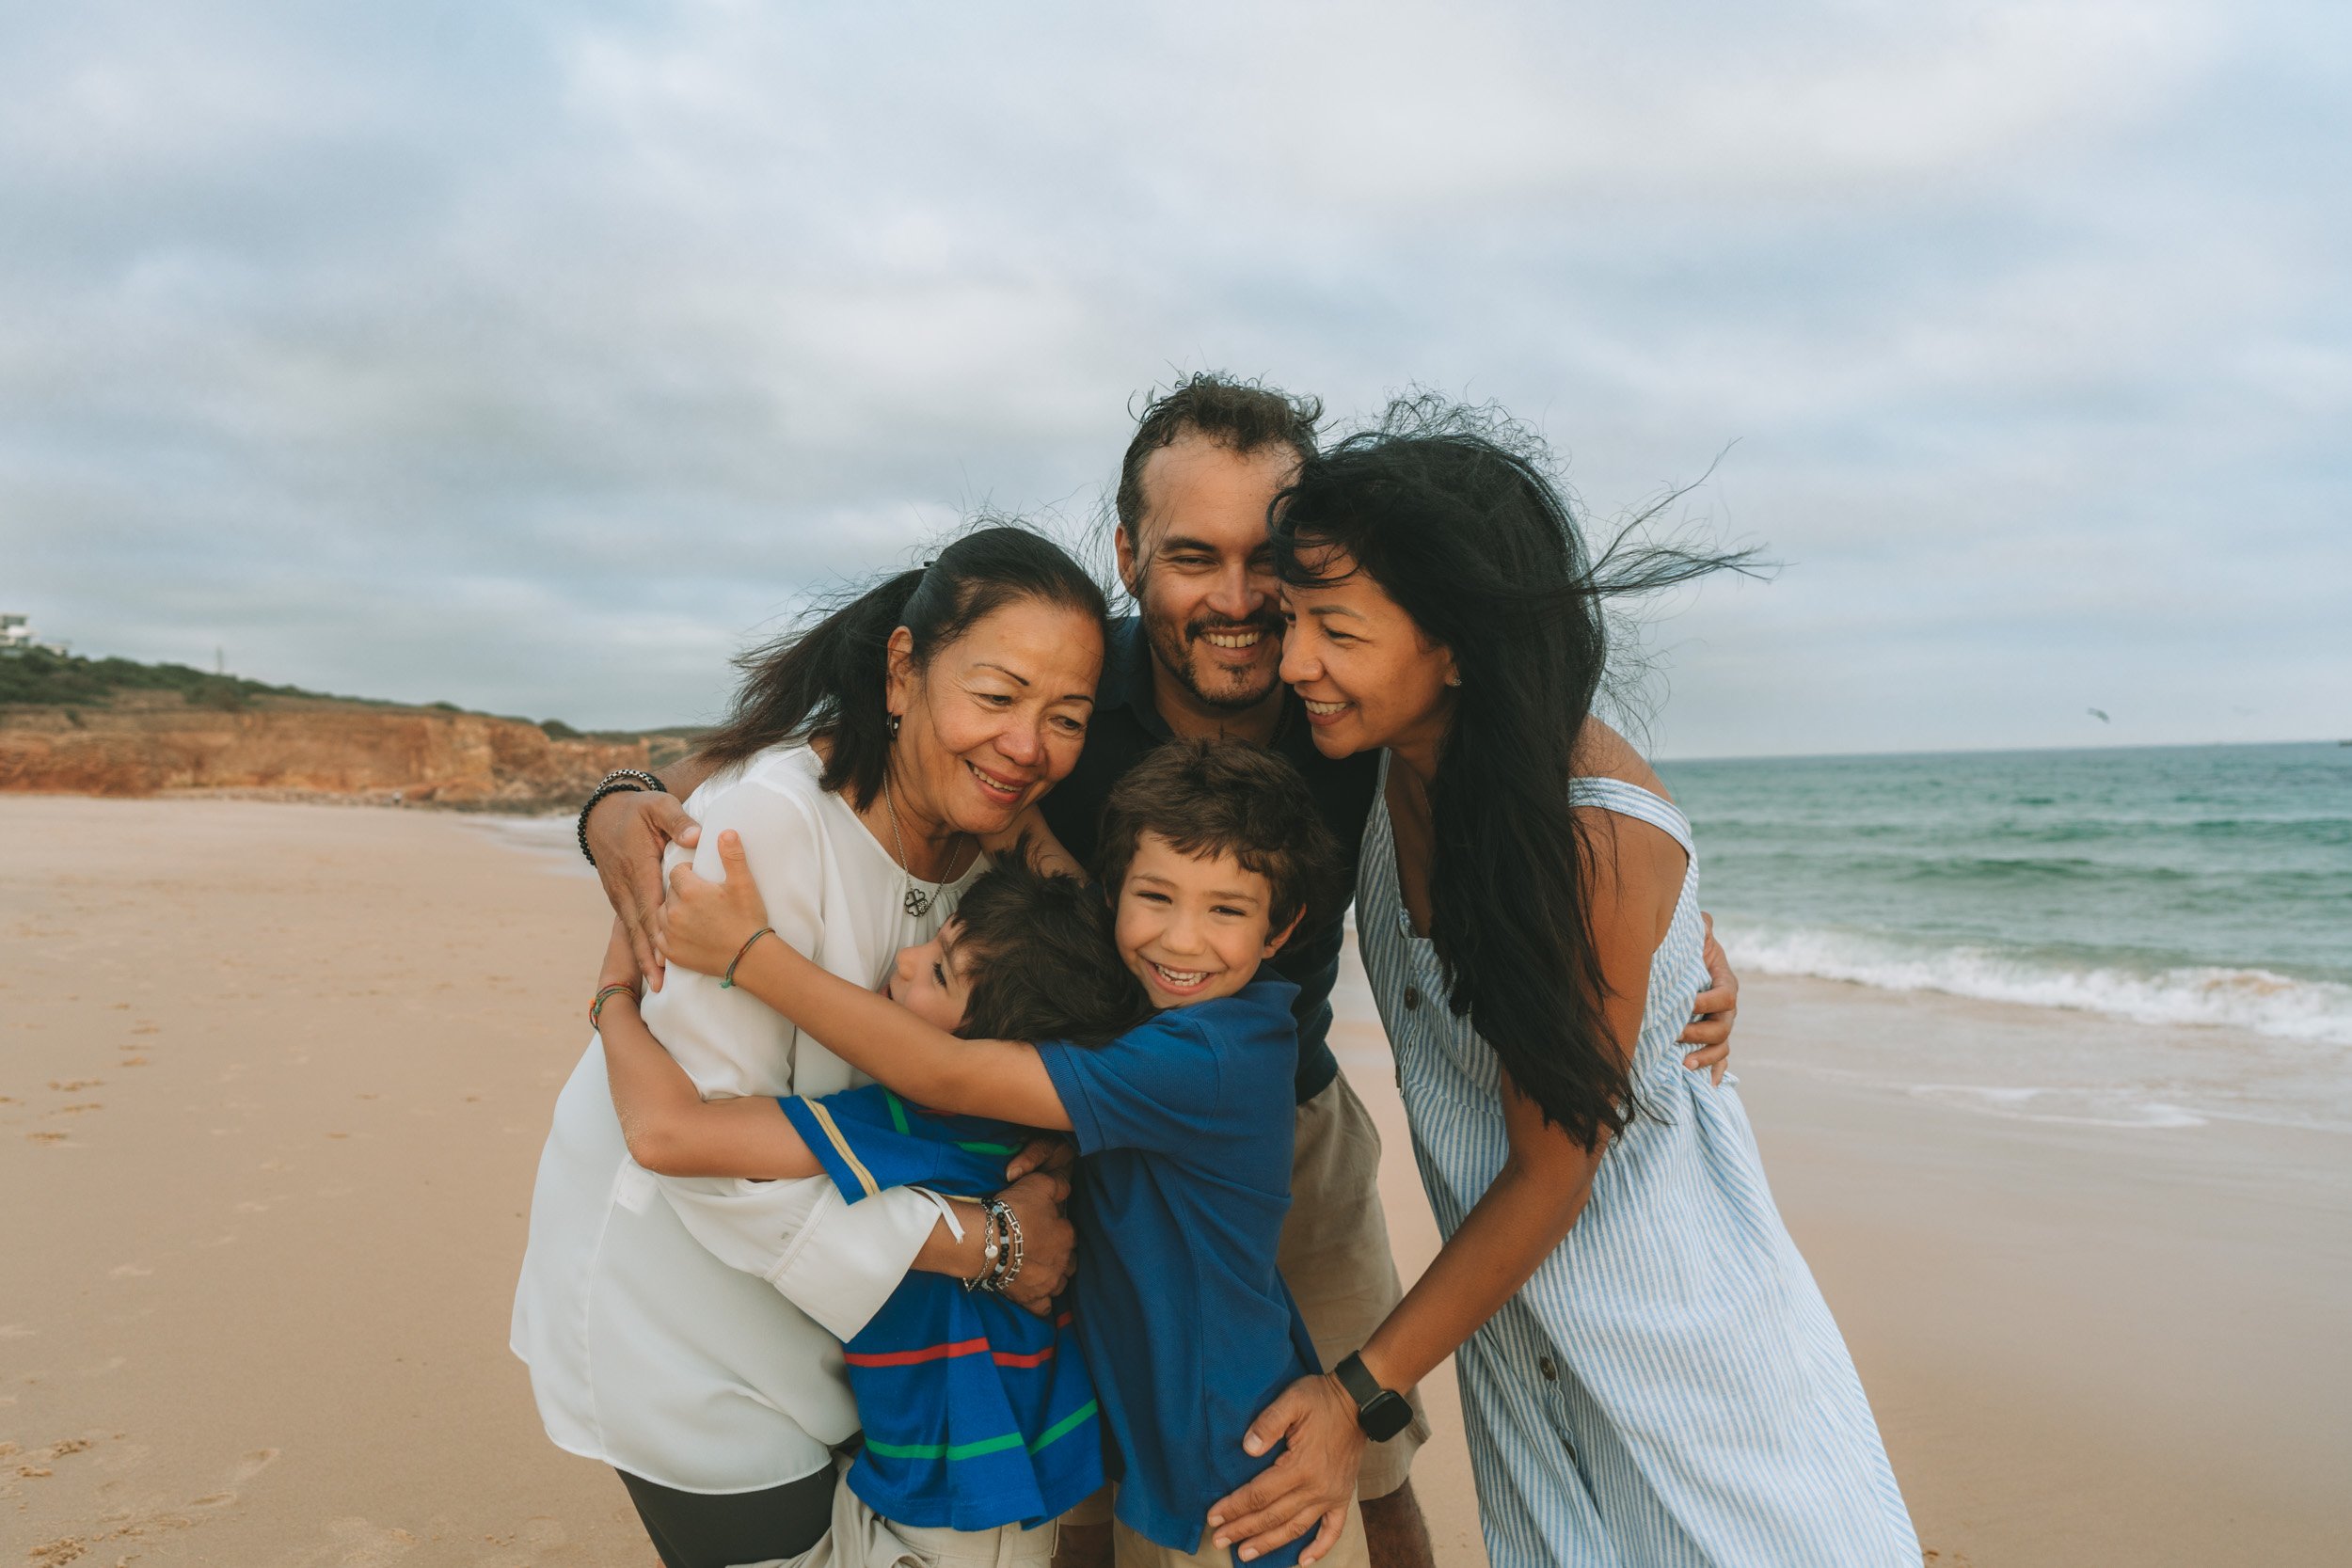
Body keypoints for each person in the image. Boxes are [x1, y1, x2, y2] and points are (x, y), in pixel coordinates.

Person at [582, 375, 1745, 1568]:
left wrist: (1673, 928)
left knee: (1366, 1463)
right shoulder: (1067, 690)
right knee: (1090, 1474)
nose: (1239, 602)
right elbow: (835, 731)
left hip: (1277, 1122)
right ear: (1132, 555)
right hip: (1067, 1131)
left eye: (1268, 561)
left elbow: (1530, 756)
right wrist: (623, 802)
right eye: (1195, 556)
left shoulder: (1345, 688)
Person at [1205, 401, 1921, 1568]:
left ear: (1456, 641)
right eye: (1293, 621)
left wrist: (1356, 1395)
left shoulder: (1581, 831)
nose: (1294, 665)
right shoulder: (1391, 765)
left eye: (1334, 628)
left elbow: (1552, 1168)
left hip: (1690, 1366)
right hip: (1523, 1346)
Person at [511, 526, 1110, 1568]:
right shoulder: (760, 828)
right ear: (901, 669)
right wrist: (987, 1242)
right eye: (998, 694)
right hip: (689, 1315)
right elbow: (704, 1151)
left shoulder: (997, 855)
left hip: (870, 1334)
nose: (1029, 745)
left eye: (1066, 717)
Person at [652, 738, 1370, 1568]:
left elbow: (945, 1070)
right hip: (1165, 1454)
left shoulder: (1210, 1056)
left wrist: (746, 952)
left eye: (1227, 911)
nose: (1180, 939)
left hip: (1241, 1480)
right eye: (1155, 896)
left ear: (1282, 929)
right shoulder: (1180, 1007)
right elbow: (1051, 866)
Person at [594, 854, 1153, 1562]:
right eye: (935, 939)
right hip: (1004, 1459)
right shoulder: (1038, 1128)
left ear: (991, 1051)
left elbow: (666, 1133)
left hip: (956, 1500)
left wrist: (613, 996)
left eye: (942, 973)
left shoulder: (912, 1124)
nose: (907, 960)